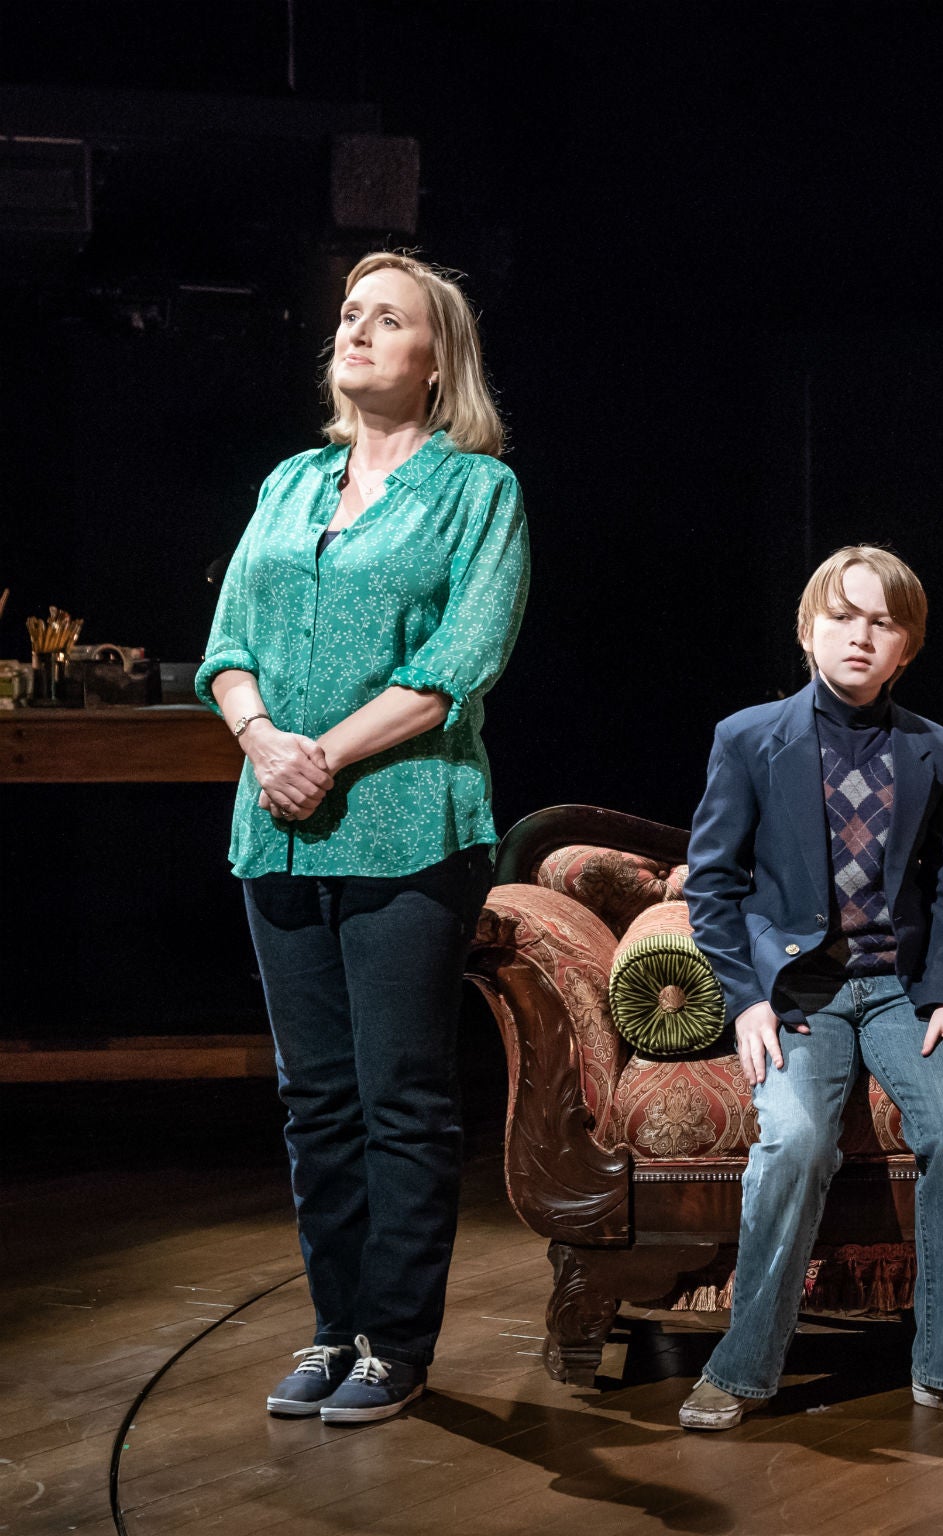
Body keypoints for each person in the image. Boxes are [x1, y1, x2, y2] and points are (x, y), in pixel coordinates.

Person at [198, 252, 529, 1423]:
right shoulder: (290, 482)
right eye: (348, 314)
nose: (356, 331)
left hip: (404, 827)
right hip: (274, 833)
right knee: (315, 1100)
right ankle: (333, 1328)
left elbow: (453, 672)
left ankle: (396, 1340)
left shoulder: (477, 492)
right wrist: (259, 738)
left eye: (386, 319)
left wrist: (319, 754)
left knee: (399, 1095)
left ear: (436, 361)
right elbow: (226, 643)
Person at [675, 545, 943, 1430]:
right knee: (791, 1139)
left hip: (902, 989)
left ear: (906, 646)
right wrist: (747, 999)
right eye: (843, 616)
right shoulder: (749, 737)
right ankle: (742, 1365)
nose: (860, 636)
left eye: (882, 621)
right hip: (800, 993)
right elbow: (711, 885)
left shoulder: (935, 750)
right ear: (808, 629)